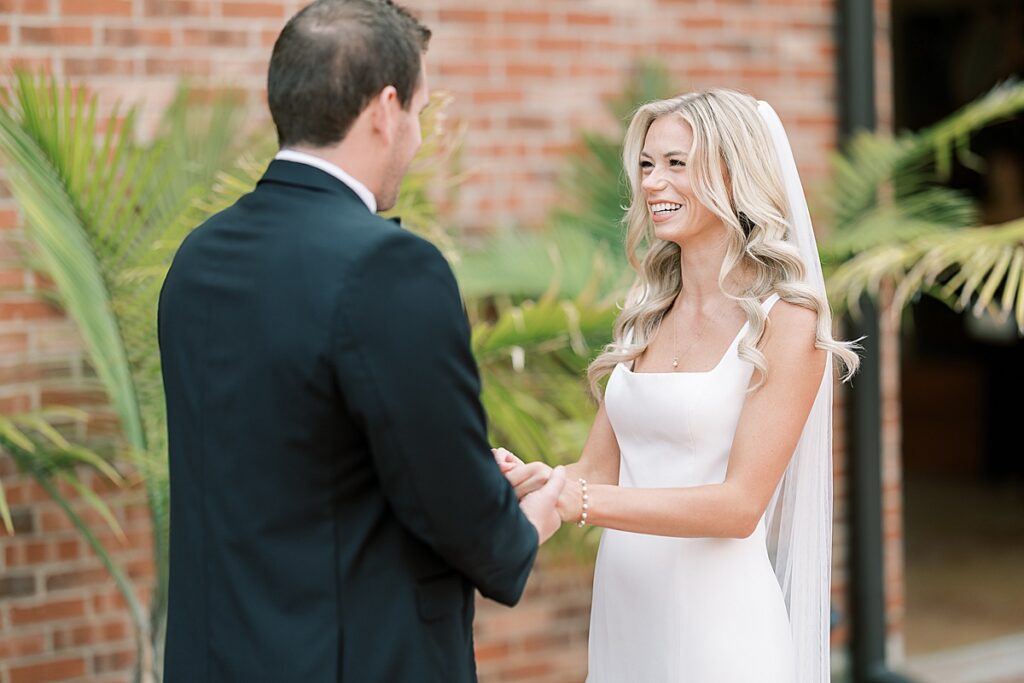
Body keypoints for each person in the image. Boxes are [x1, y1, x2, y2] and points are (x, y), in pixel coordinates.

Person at [158, 1, 564, 681]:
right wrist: (531, 512)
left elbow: (290, 455)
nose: (417, 138)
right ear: (384, 109)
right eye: (420, 114)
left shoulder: (199, 256)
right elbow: (464, 517)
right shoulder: (389, 265)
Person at [497, 89, 860, 682]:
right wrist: (542, 481)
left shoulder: (787, 320)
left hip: (719, 624)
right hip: (625, 611)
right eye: (646, 164)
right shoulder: (648, 313)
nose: (651, 183)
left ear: (732, 174)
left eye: (675, 164)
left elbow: (741, 506)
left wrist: (582, 503)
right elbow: (595, 471)